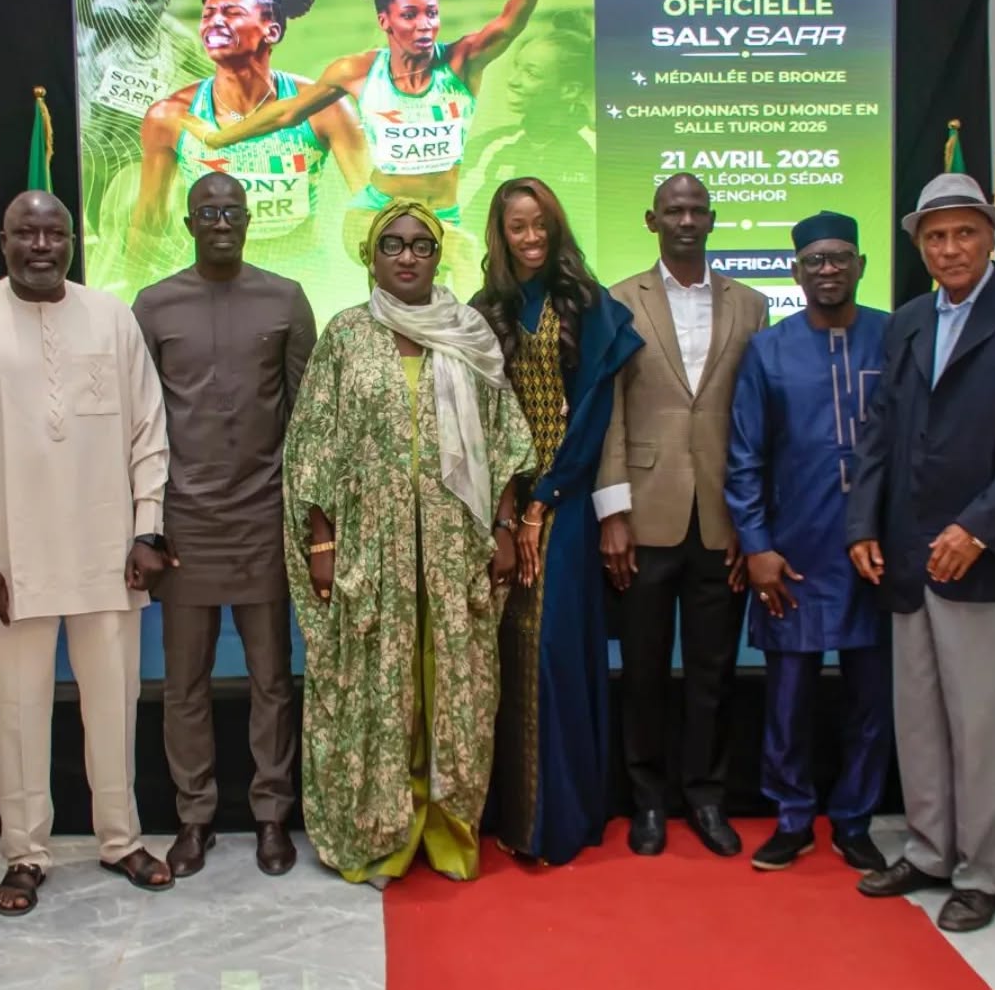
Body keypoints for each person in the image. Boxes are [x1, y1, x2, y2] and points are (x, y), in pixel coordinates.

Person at [0, 190, 175, 914]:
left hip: (107, 551)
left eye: (53, 232)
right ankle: (25, 852)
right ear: (3, 240)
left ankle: (121, 837)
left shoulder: (111, 317)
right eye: (24, 232)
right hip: (11, 561)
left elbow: (147, 430)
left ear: (70, 239)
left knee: (114, 705)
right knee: (15, 710)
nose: (40, 244)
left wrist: (147, 527)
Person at [847, 173, 995, 932]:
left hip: (986, 558)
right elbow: (881, 431)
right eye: (936, 236)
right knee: (918, 718)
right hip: (910, 556)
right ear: (919, 245)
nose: (950, 248)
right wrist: (862, 523)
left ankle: (981, 869)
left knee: (980, 722)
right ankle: (928, 847)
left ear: (990, 235)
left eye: (964, 233)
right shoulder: (910, 320)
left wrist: (979, 527)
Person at [283, 199, 533, 884]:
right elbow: (312, 450)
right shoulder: (346, 336)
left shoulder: (468, 332)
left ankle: (450, 826)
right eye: (392, 243)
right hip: (375, 548)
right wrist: (323, 546)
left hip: (455, 546)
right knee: (380, 685)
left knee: (455, 684)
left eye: (421, 244)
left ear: (437, 254)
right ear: (371, 255)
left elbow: (505, 438)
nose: (406, 256)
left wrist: (507, 526)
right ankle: (384, 826)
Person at [132, 172, 316, 878]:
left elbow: (307, 419)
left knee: (272, 677)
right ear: (188, 223)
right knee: (186, 682)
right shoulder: (153, 305)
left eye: (231, 211)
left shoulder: (285, 299)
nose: (220, 221)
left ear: (248, 219)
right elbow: (140, 424)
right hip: (184, 524)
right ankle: (194, 815)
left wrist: (309, 522)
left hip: (264, 518)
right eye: (207, 211)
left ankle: (272, 813)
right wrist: (144, 524)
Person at [184, 0, 569, 281]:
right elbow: (287, 113)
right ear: (385, 21)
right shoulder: (357, 71)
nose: (425, 25)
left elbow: (507, 26)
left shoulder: (460, 63)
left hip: (442, 217)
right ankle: (480, 356)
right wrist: (218, 137)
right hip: (372, 214)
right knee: (464, 254)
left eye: (432, 14)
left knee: (436, 285)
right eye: (411, 15)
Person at [596, 173, 769, 858]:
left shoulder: (751, 305)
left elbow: (758, 420)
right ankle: (646, 801)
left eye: (698, 209)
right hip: (643, 516)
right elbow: (605, 410)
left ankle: (705, 796)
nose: (687, 219)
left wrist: (753, 524)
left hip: (722, 519)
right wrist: (612, 511)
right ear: (651, 219)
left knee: (713, 670)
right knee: (641, 670)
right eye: (674, 209)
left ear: (714, 218)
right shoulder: (617, 301)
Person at [470, 177, 640, 865]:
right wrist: (509, 506)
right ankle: (509, 815)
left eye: (541, 224)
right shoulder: (486, 308)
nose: (531, 237)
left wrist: (549, 495)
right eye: (518, 226)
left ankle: (557, 821)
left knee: (554, 654)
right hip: (499, 507)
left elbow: (595, 412)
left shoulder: (589, 305)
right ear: (501, 232)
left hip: (564, 508)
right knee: (503, 655)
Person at [724, 211, 891, 873]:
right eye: (815, 259)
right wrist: (757, 544)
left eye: (840, 257)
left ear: (859, 265)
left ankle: (854, 820)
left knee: (871, 698)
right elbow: (743, 457)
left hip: (873, 551)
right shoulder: (769, 349)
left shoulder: (893, 336)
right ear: (796, 271)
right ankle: (792, 816)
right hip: (792, 552)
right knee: (787, 696)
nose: (828, 269)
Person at [123, 0, 369, 288]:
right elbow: (148, 223)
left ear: (272, 30)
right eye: (208, 14)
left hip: (304, 281)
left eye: (232, 13)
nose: (215, 22)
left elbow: (370, 204)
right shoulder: (170, 115)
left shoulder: (324, 107)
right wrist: (133, 300)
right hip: (209, 287)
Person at [76, 0, 210, 237]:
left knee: (133, 219)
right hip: (98, 147)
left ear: (165, 2)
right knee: (96, 223)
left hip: (137, 149)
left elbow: (213, 76)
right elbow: (85, 12)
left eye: (147, 0)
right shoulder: (114, 26)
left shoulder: (179, 41)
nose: (137, 7)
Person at [463, 15, 597, 248]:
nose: (513, 81)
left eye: (531, 74)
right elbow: (465, 232)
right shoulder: (490, 147)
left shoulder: (600, 151)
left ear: (569, 90)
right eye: (517, 68)